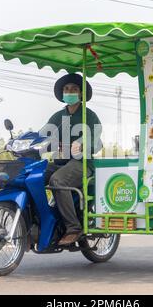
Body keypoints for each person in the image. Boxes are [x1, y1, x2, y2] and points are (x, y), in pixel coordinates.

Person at [43, 73, 102, 245]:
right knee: (35, 174)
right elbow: (44, 136)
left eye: (74, 89)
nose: (70, 92)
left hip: (82, 163)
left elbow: (96, 140)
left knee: (58, 180)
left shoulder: (89, 116)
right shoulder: (57, 117)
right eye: (66, 89)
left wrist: (82, 144)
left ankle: (73, 227)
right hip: (62, 162)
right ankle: (45, 217)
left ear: (81, 94)